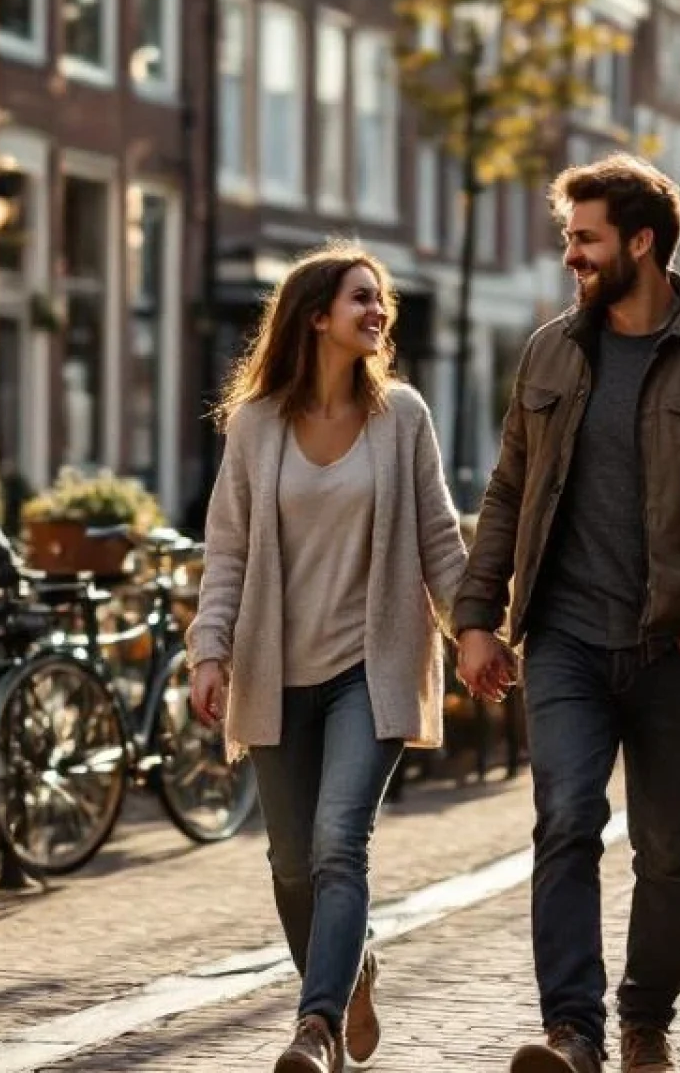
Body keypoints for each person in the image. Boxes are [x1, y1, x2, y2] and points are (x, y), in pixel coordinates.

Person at [451, 155, 680, 1073]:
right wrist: (477, 617)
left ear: (640, 242)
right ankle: (573, 1031)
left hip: (674, 646)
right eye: (569, 237)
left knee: (664, 847)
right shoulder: (550, 352)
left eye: (585, 238)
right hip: (565, 638)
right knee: (566, 822)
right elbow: (508, 489)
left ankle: (647, 1016)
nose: (570, 255)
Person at [187, 242, 469, 1073]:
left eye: (381, 300)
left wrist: (480, 632)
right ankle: (353, 970)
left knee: (338, 842)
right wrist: (210, 650)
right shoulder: (256, 425)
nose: (378, 311)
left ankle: (314, 1027)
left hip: (368, 669)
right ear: (316, 315)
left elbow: (439, 543)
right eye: (360, 298)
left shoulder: (404, 417)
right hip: (274, 672)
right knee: (289, 862)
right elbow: (227, 550)